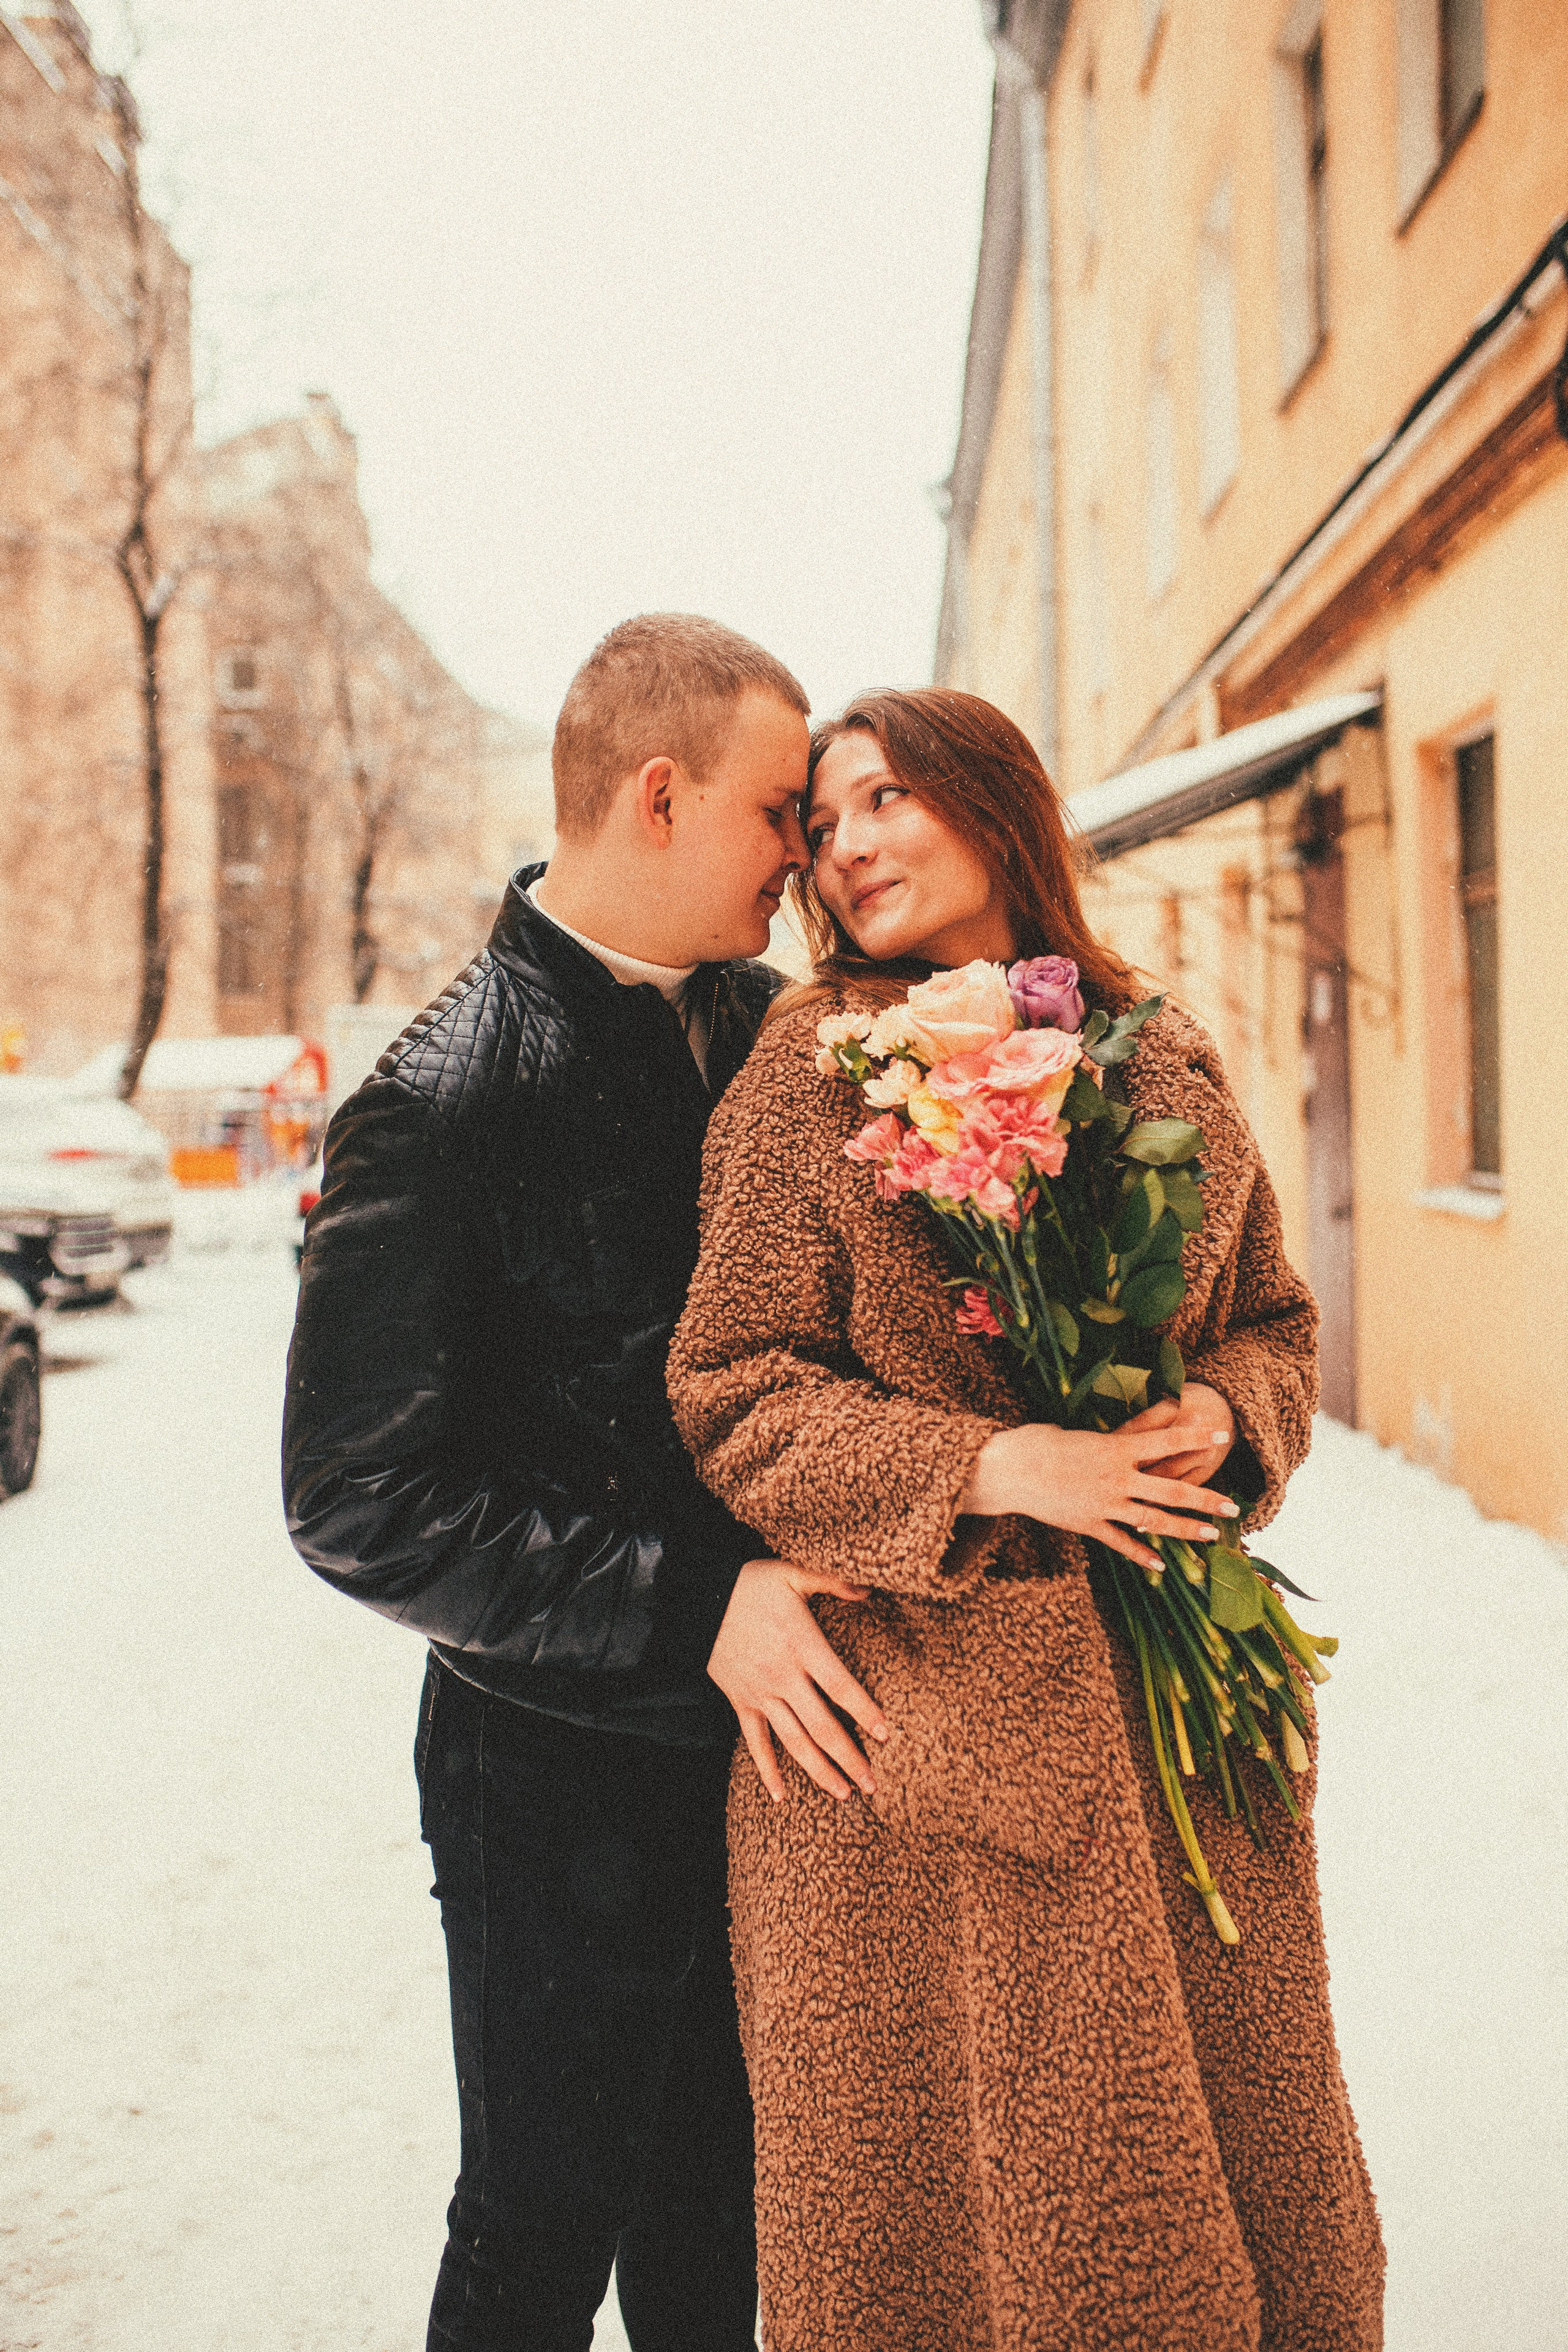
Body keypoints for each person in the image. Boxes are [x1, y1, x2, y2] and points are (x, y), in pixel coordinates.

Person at [667, 688, 1385, 2352]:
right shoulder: (809, 1078)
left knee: (1237, 2207)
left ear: (993, 804)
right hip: (919, 1760)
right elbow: (733, 1389)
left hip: (1173, 1730)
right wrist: (988, 1468)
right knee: (981, 2250)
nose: (847, 847)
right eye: (822, 824)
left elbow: (1274, 1322)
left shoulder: (1159, 1053)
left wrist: (1231, 1418)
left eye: (886, 800)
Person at [282, 614, 888, 2352]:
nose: (804, 857)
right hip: (552, 1787)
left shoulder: (776, 1031)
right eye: (779, 813)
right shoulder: (441, 1098)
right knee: (540, 2232)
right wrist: (693, 1608)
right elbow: (358, 1499)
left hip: (769, 1765)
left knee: (722, 2236)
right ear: (659, 795)